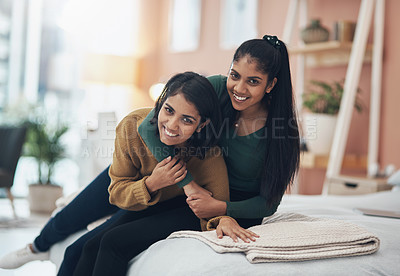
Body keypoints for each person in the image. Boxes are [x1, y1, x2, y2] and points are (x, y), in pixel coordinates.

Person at [0, 34, 300, 273]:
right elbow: (148, 126)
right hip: (181, 180)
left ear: (271, 84)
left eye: (253, 81)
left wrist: (221, 208)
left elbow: (269, 203)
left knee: (104, 240)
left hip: (219, 203)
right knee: (88, 208)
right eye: (235, 75)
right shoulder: (218, 89)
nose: (239, 87)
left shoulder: (281, 131)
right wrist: (186, 183)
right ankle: (37, 246)